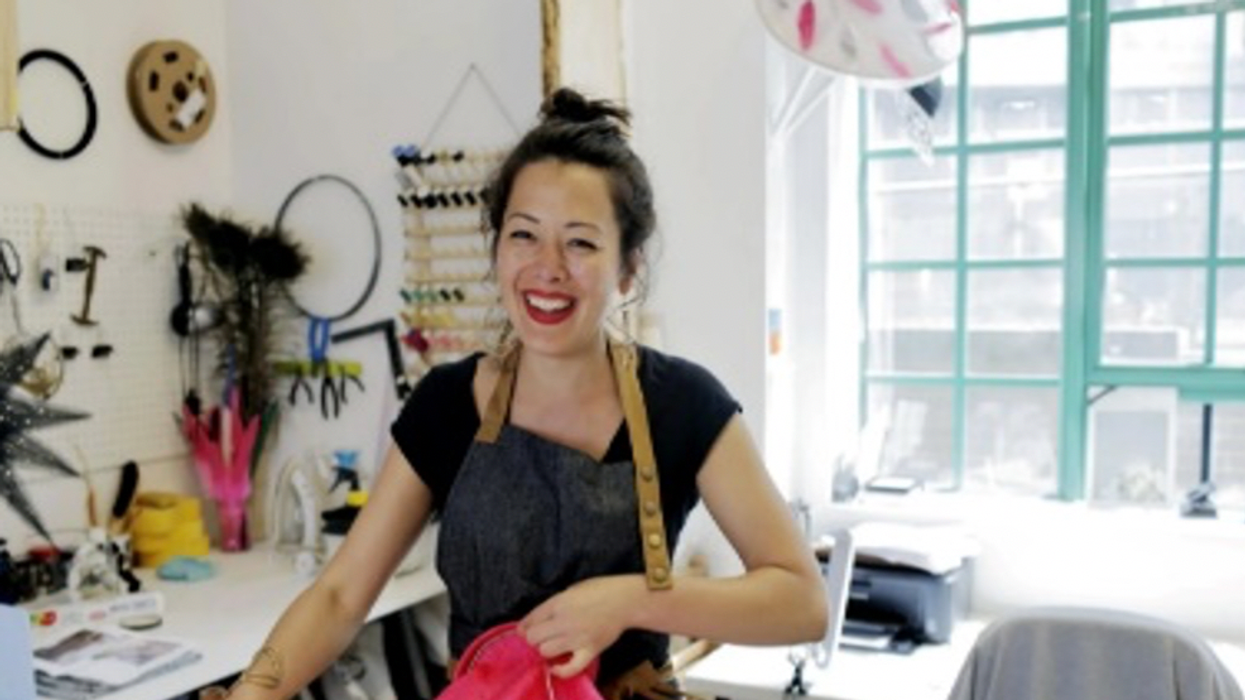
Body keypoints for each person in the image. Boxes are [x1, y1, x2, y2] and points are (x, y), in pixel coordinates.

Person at [220, 87, 828, 700]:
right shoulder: (447, 405)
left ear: (628, 268)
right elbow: (339, 595)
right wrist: (250, 693)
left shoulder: (683, 405)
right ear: (496, 247)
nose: (548, 267)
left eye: (582, 242)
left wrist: (630, 600)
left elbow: (801, 601)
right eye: (524, 235)